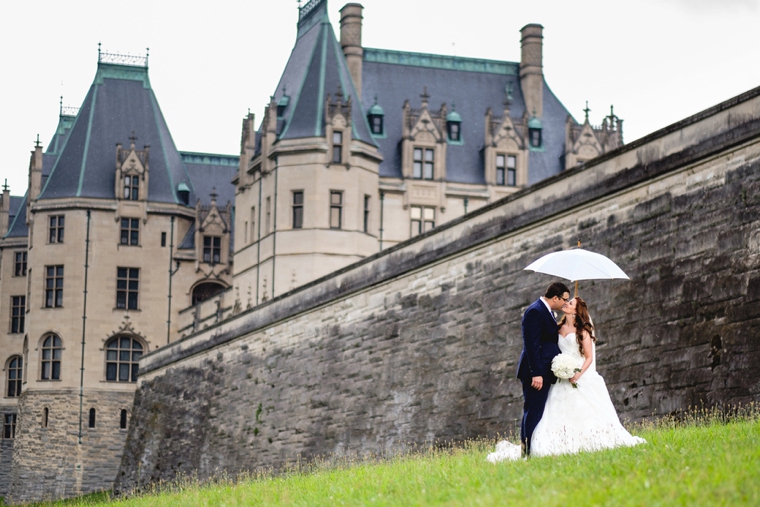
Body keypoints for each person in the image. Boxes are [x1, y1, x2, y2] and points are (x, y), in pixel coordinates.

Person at [487, 296, 645, 463]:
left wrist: (577, 373)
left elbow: (589, 358)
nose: (566, 304)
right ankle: (539, 445)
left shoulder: (582, 331)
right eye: (566, 301)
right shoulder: (558, 327)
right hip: (560, 377)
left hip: (578, 375)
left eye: (570, 303)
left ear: (576, 311)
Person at [516, 281, 570, 457]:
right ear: (555, 297)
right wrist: (536, 373)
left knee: (538, 410)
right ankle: (527, 451)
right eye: (564, 299)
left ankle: (533, 448)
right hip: (536, 372)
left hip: (545, 371)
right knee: (533, 410)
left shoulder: (547, 311)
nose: (565, 303)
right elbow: (531, 345)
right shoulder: (534, 311)